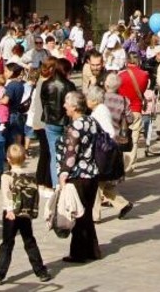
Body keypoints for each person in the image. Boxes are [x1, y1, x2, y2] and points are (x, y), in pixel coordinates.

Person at [0, 143, 52, 285]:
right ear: (24, 158)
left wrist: (9, 210)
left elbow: (6, 195)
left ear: (8, 159)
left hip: (11, 214)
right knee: (29, 241)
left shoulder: (6, 176)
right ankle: (41, 271)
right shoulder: (29, 175)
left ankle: (0, 274)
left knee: (7, 243)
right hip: (25, 213)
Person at [57, 91, 102, 263]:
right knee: (87, 212)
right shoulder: (91, 121)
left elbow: (71, 152)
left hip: (79, 174)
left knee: (79, 214)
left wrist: (63, 172)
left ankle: (78, 252)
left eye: (66, 103)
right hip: (93, 172)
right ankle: (92, 249)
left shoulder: (76, 126)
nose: (64, 106)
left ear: (74, 107)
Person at [91, 77, 133, 220]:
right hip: (113, 145)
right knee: (103, 183)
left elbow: (107, 131)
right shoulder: (123, 100)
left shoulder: (101, 109)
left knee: (97, 183)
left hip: (104, 148)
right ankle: (123, 204)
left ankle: (95, 215)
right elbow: (130, 118)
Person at [40, 60, 77, 186]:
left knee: (54, 153)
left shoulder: (46, 84)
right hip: (66, 121)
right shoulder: (70, 85)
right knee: (68, 153)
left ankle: (56, 185)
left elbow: (44, 103)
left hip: (51, 121)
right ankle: (66, 181)